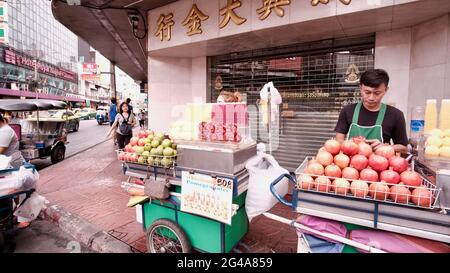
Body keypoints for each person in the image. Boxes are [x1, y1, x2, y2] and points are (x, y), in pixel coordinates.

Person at [334, 68, 408, 154]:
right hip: (350, 165)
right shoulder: (347, 111)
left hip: (380, 164)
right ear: (360, 88)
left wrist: (385, 147)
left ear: (386, 90)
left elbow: (403, 147)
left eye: (377, 93)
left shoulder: (396, 115)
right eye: (367, 92)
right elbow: (339, 141)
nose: (371, 98)